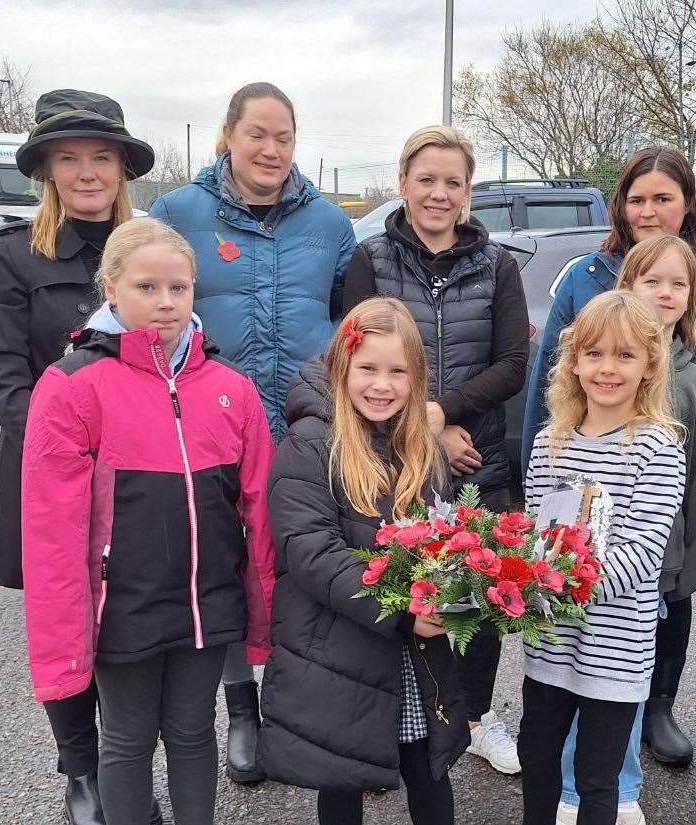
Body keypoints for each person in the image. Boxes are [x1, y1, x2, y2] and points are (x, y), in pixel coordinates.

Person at [20, 218, 276, 825]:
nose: (165, 303)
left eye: (179, 288)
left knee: (193, 734)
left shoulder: (231, 388)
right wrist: (65, 638)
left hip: (205, 605)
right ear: (111, 289)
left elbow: (259, 506)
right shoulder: (73, 386)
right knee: (128, 741)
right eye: (147, 287)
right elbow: (52, 534)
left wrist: (263, 604)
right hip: (123, 608)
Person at [521, 146, 696, 765]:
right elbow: (553, 380)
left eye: (664, 198)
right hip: (591, 461)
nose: (650, 210)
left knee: (670, 591)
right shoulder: (586, 277)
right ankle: (571, 700)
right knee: (586, 583)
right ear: (619, 206)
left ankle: (655, 706)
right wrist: (536, 464)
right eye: (637, 198)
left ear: (687, 205)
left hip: (675, 466)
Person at [149, 81, 356, 783]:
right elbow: (150, 306)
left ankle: (305, 709)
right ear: (228, 136)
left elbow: (346, 324)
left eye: (284, 137)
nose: (270, 149)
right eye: (257, 134)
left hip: (305, 432)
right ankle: (241, 708)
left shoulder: (330, 225)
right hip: (211, 434)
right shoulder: (178, 212)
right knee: (228, 570)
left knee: (304, 568)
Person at [0, 88, 162, 825]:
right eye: (70, 158)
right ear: (47, 169)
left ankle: (124, 762)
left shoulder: (148, 252)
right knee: (67, 624)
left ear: (121, 169)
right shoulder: (11, 256)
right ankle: (81, 769)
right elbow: (1, 372)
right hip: (51, 474)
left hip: (140, 478)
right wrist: (72, 451)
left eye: (102, 157)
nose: (88, 171)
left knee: (130, 623)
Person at [342, 125, 529, 775]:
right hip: (393, 459)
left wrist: (447, 412)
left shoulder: (498, 265)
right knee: (400, 589)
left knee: (478, 593)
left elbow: (512, 362)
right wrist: (424, 431)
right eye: (426, 179)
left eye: (453, 182)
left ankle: (475, 715)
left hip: (480, 456)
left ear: (469, 192)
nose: (439, 193)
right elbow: (355, 361)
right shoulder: (371, 261)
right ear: (402, 184)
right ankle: (396, 720)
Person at [258, 297, 470, 825]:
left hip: (414, 648)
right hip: (338, 647)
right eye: (368, 369)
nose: (382, 385)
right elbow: (310, 551)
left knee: (428, 767)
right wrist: (399, 611)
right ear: (340, 368)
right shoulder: (310, 446)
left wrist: (459, 582)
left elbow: (444, 532)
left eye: (398, 372)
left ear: (416, 379)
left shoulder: (422, 447)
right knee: (342, 774)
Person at [555, 236, 696, 825]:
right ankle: (575, 789)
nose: (666, 294)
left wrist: (691, 560)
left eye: (679, 284)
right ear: (627, 286)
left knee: (621, 682)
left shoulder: (695, 385)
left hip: (643, 571)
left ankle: (620, 789)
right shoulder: (579, 400)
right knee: (569, 684)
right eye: (653, 282)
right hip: (568, 578)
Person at [520, 290, 686, 825]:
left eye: (624, 355)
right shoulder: (550, 442)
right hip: (549, 646)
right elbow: (529, 536)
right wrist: (518, 579)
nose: (607, 369)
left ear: (649, 366)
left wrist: (557, 583)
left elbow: (641, 553)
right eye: (594, 354)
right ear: (573, 361)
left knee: (596, 778)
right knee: (538, 758)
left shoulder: (657, 448)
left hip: (614, 649)